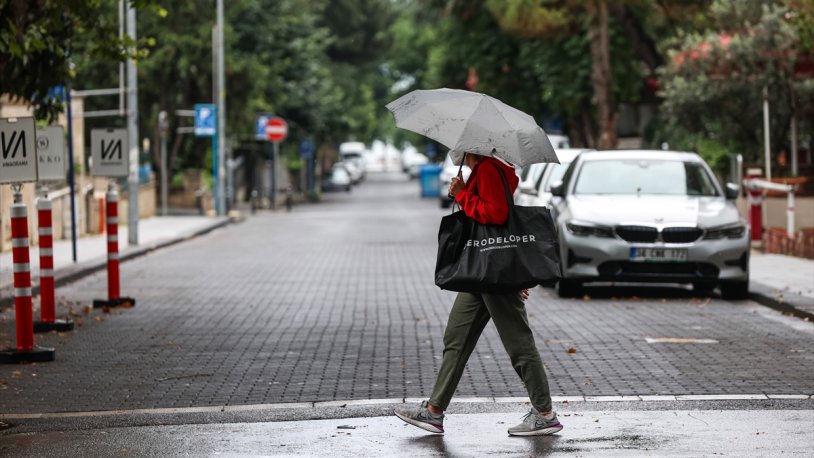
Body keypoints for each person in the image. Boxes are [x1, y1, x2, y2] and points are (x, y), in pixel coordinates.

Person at [394, 152, 562, 436]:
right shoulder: (484, 171)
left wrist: (463, 195)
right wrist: (463, 193)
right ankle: (434, 411)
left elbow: (497, 214)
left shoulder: (487, 170)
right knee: (456, 338)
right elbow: (488, 213)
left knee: (518, 342)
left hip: (491, 270)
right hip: (482, 271)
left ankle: (544, 413)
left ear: (472, 146)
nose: (455, 150)